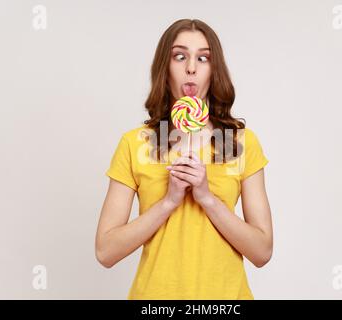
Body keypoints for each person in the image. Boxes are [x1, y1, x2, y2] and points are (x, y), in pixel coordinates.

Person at [95, 18, 273, 300]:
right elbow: (105, 251)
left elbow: (262, 251)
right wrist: (168, 202)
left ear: (214, 71)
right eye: (180, 56)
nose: (191, 67)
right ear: (165, 69)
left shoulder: (240, 143)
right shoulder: (135, 143)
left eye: (203, 58)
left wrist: (207, 198)